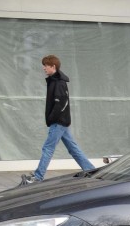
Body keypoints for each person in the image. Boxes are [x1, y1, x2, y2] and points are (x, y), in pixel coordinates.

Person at [22, 54, 96, 185]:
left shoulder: (59, 83)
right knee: (73, 148)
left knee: (48, 148)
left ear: (53, 66)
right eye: (44, 66)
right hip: (61, 121)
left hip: (59, 121)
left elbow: (60, 104)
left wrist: (52, 118)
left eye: (46, 66)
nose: (44, 68)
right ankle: (91, 170)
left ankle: (38, 176)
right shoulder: (54, 81)